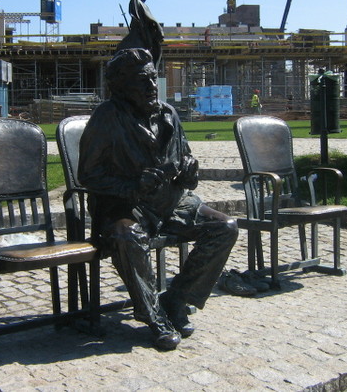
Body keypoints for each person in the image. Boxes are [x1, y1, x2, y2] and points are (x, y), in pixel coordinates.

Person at [78, 48, 238, 351]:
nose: (152, 86)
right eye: (142, 80)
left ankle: (176, 298)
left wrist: (189, 170)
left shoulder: (168, 113)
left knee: (224, 227)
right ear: (121, 86)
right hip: (126, 206)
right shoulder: (107, 117)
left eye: (153, 78)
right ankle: (154, 315)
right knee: (127, 235)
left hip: (172, 202)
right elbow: (88, 175)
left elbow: (185, 155)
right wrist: (133, 184)